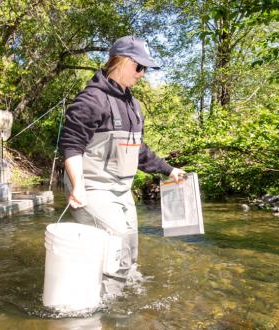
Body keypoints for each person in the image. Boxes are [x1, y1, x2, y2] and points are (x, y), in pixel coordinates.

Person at [60, 36, 185, 297]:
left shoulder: (132, 105)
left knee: (129, 245)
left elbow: (138, 150)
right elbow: (71, 146)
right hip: (91, 187)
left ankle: (127, 297)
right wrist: (78, 186)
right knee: (114, 245)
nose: (143, 74)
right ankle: (105, 307)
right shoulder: (90, 100)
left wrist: (169, 170)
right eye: (140, 67)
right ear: (123, 62)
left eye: (145, 69)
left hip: (121, 189)